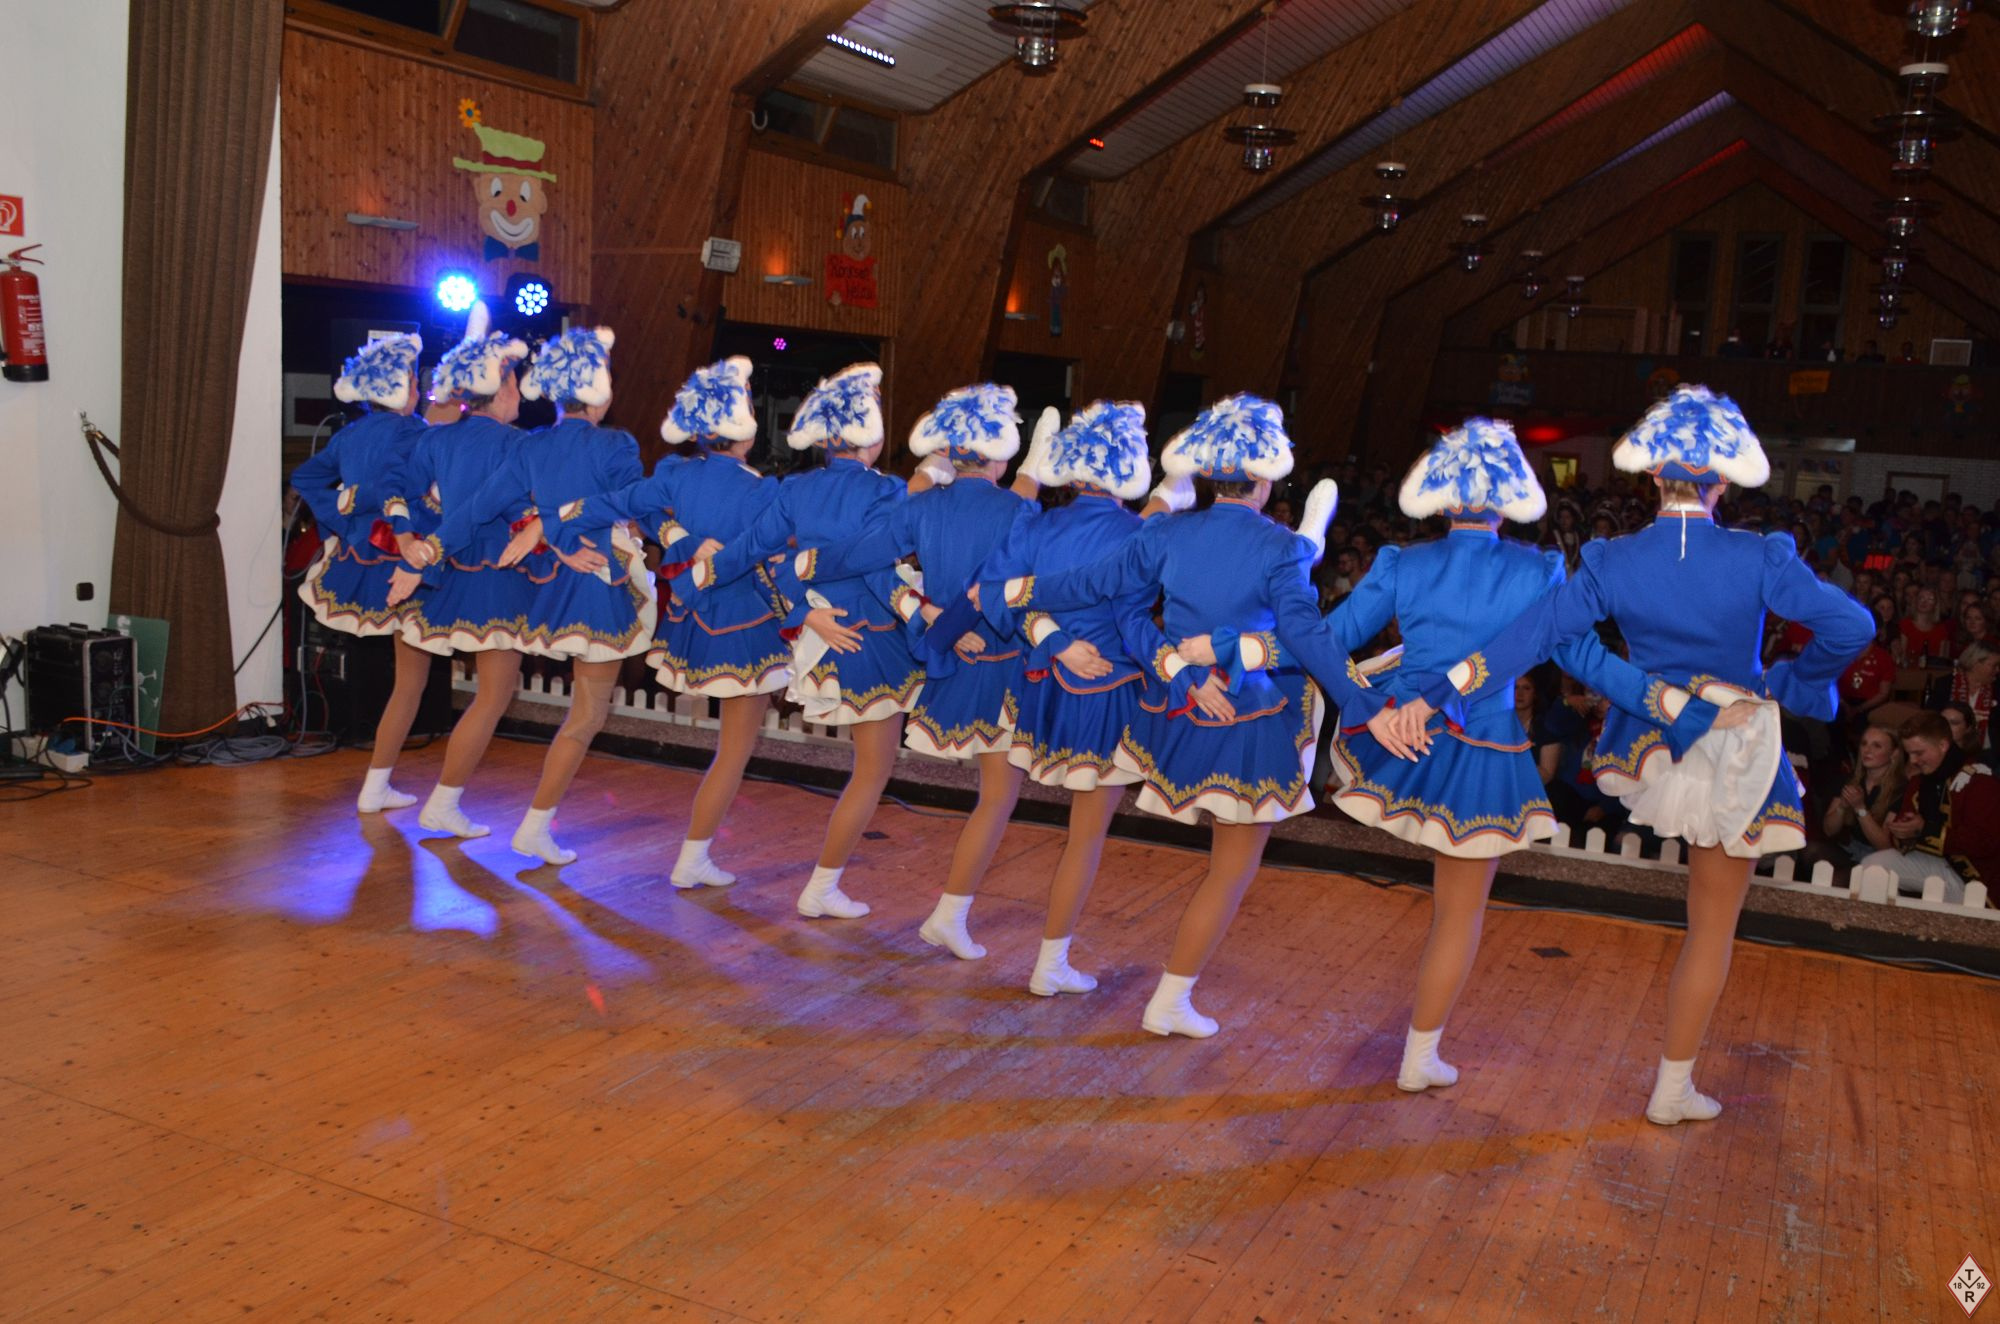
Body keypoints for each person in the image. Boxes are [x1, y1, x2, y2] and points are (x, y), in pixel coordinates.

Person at [1393, 385, 1873, 1124]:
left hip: (1648, 743)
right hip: (1736, 746)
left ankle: (1431, 1048)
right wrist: (1791, 683)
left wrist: (1437, 693)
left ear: (1652, 475)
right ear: (1723, 482)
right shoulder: (1761, 556)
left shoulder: (1612, 559)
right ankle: (1671, 1090)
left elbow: (1534, 636)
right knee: (1711, 928)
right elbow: (1853, 627)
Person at [1303, 419, 1723, 1094]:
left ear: (1442, 496)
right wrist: (1673, 707)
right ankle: (1419, 1056)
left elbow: (1324, 639)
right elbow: (1587, 661)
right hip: (1482, 752)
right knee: (1458, 913)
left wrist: (1361, 705)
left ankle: (1421, 1055)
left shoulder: (1403, 562)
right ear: (1509, 498)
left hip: (1405, 739)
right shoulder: (1538, 570)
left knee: (1448, 911)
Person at [975, 395, 1395, 1038]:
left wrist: (1173, 668)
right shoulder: (1279, 548)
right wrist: (1363, 703)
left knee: (1169, 854)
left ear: (1205, 474)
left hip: (1177, 711)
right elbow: (1308, 637)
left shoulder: (1165, 533)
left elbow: (1109, 599)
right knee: (1230, 872)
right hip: (1249, 719)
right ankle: (1170, 1000)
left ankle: (1141, 989)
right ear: (1265, 479)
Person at [787, 383, 1041, 958]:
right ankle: (949, 915)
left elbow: (865, 555)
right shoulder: (1018, 509)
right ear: (1001, 452)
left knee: (891, 774)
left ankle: (859, 895)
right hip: (1000, 663)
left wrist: (806, 566)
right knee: (997, 797)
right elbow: (1019, 588)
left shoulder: (921, 506)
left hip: (944, 656)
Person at [393, 325, 653, 864]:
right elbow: (635, 506)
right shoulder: (616, 444)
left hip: (551, 588)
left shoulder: (532, 446)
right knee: (585, 717)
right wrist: (556, 525)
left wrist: (428, 553)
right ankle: (534, 827)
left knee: (576, 715)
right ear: (601, 390)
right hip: (598, 582)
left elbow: (476, 509)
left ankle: (517, 822)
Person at [547, 357, 788, 890]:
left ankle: (695, 857)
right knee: (734, 752)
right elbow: (772, 554)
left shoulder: (675, 475)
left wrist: (560, 523)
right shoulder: (762, 490)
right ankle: (693, 857)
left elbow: (617, 504)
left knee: (729, 750)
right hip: (745, 625)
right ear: (745, 431)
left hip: (690, 623)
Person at [694, 364, 923, 920]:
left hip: (824, 639)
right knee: (872, 771)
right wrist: (925, 621)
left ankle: (821, 886)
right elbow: (874, 565)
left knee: (868, 769)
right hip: (872, 639)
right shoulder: (886, 491)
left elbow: (759, 558)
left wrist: (801, 612)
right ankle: (822, 887)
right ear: (873, 434)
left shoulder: (797, 489)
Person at [961, 400, 1166, 995]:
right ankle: (1050, 964)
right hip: (1110, 693)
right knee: (1086, 836)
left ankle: (1035, 954)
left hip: (1043, 687)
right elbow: (1136, 621)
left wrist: (1053, 641)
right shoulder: (1141, 534)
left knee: (1043, 818)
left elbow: (990, 594)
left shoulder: (1038, 524)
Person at [384, 302, 541, 839]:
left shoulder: (436, 438)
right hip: (497, 574)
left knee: (444, 688)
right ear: (500, 389)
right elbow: (502, 507)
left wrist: (409, 540)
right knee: (493, 696)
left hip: (447, 573)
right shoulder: (520, 445)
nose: (519, 395)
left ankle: (410, 793)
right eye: (515, 384)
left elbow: (398, 492)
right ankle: (444, 803)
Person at [291, 331, 437, 813]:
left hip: (362, 559)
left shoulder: (350, 435)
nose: (419, 389)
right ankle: (379, 786)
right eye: (414, 381)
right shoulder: (416, 433)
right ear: (403, 387)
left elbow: (306, 478)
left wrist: (342, 511)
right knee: (411, 680)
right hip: (407, 561)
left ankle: (379, 784)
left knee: (407, 679)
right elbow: (395, 486)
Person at [1858, 711, 1999, 904]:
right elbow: (1902, 833)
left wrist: (1924, 830)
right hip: (1937, 862)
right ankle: (1892, 921)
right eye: (1909, 754)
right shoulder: (1919, 782)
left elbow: (1985, 842)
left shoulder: (1980, 780)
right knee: (1872, 867)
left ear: (1943, 745)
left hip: (1976, 876)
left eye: (1919, 753)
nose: (1913, 761)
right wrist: (1904, 832)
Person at [1816, 723, 1905, 865]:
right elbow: (1829, 831)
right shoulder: (1851, 780)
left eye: (1877, 746)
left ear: (1894, 753)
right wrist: (1842, 807)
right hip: (1851, 849)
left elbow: (1885, 846)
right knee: (1812, 851)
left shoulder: (1900, 788)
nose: (1867, 750)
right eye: (1864, 744)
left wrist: (1860, 808)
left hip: (1880, 858)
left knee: (1839, 875)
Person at [1925, 641, 1996, 746]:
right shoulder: (1946, 684)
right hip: (1949, 746)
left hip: (1989, 750)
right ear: (1976, 664)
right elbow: (1931, 718)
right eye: (1994, 666)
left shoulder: (1997, 688)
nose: (1998, 670)